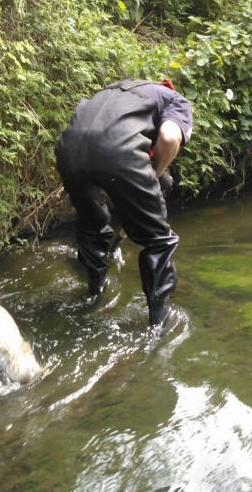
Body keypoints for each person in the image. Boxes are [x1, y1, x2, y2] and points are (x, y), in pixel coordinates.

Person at [55, 79, 193, 326]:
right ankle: (158, 325)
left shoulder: (114, 91)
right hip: (118, 150)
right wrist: (156, 174)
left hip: (68, 148)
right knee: (158, 240)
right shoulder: (175, 100)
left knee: (92, 226)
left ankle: (93, 294)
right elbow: (170, 138)